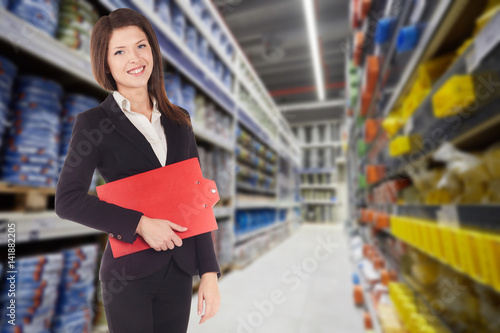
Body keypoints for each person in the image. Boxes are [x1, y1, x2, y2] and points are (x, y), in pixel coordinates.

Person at [54, 8, 221, 333]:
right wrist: (140, 224)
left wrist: (210, 274)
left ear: (153, 51)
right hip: (128, 276)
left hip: (179, 269)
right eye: (120, 51)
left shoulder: (179, 120)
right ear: (105, 63)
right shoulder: (92, 124)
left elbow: (196, 196)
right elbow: (68, 200)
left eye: (141, 46)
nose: (135, 58)